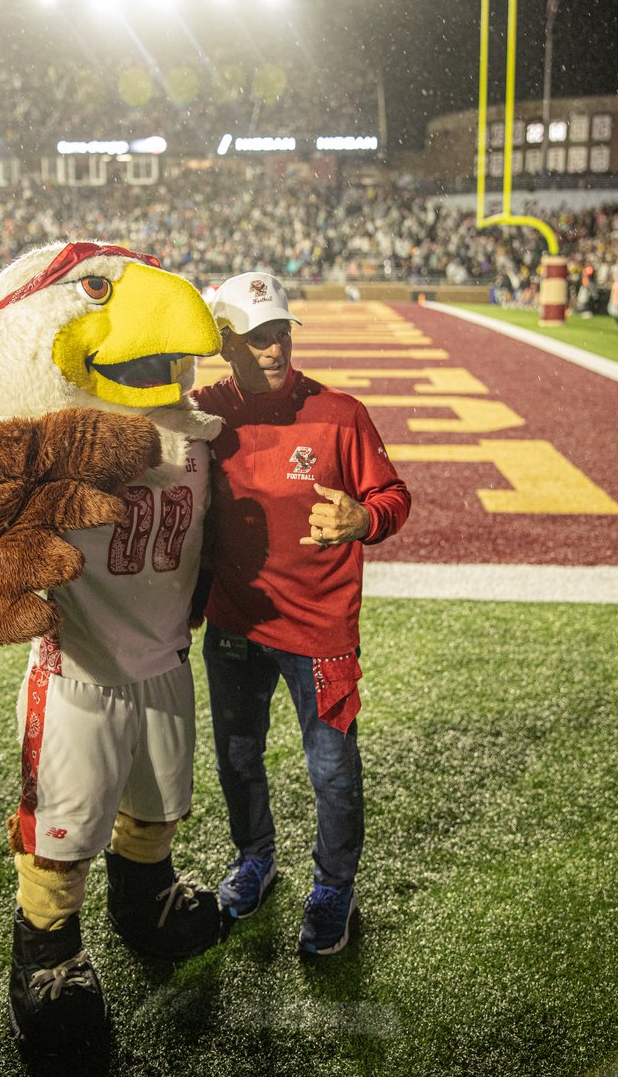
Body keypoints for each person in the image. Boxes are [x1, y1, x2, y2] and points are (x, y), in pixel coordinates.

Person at [193, 271, 411, 956]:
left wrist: (364, 517)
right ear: (225, 343)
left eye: (281, 332)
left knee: (333, 770)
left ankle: (333, 888)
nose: (275, 348)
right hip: (233, 623)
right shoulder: (201, 415)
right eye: (258, 338)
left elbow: (394, 496)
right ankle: (255, 858)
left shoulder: (340, 414)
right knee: (236, 757)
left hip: (319, 632)